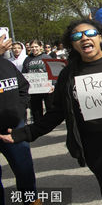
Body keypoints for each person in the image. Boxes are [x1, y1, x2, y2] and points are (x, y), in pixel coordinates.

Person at [0, 19, 102, 204]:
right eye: (77, 36)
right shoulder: (69, 74)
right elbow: (57, 111)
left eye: (90, 33)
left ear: (100, 37)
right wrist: (26, 133)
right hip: (91, 141)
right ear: (72, 43)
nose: (84, 38)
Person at [0, 37, 38, 205]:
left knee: (25, 171)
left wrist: (20, 110)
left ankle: (30, 201)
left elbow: (23, 87)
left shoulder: (8, 65)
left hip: (14, 128)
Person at [22, 40, 53, 123]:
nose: (34, 48)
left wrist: (53, 84)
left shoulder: (46, 57)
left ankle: (49, 122)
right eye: (32, 47)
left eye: (36, 46)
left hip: (46, 86)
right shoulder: (27, 59)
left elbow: (52, 72)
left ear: (40, 47)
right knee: (36, 108)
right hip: (33, 88)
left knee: (50, 106)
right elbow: (24, 73)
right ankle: (39, 124)